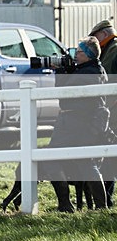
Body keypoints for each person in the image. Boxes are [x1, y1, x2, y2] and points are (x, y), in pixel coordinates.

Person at [44, 36, 110, 212]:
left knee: (51, 159)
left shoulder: (89, 72)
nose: (75, 55)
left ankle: (66, 204)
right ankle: (100, 207)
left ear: (88, 55)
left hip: (75, 123)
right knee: (86, 162)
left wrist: (61, 71)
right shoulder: (91, 69)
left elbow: (64, 93)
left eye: (79, 52)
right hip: (80, 123)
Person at [90, 19, 117, 205]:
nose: (94, 40)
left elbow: (107, 78)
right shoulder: (111, 48)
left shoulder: (112, 51)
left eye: (95, 36)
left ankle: (106, 197)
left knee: (109, 152)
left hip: (114, 108)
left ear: (104, 34)